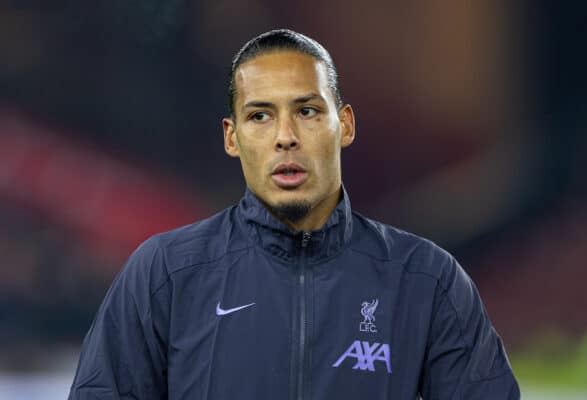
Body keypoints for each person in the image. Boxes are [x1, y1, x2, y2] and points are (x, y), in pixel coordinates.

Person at [69, 29, 520, 399]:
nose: (285, 137)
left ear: (344, 124)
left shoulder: (426, 279)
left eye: (306, 111)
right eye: (260, 116)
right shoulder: (165, 273)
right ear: (232, 137)